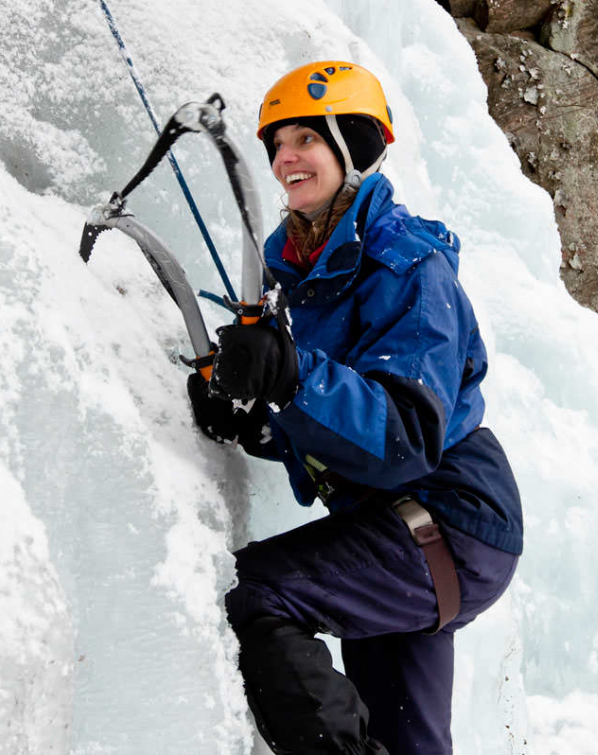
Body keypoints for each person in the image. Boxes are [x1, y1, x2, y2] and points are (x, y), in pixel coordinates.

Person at [186, 61, 523, 755]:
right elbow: (330, 418)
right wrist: (254, 420)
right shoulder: (304, 276)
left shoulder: (407, 265)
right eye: (277, 145)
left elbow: (403, 435)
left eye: (307, 138)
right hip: (405, 524)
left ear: (354, 148)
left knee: (258, 592)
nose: (284, 159)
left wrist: (290, 376)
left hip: (450, 518)